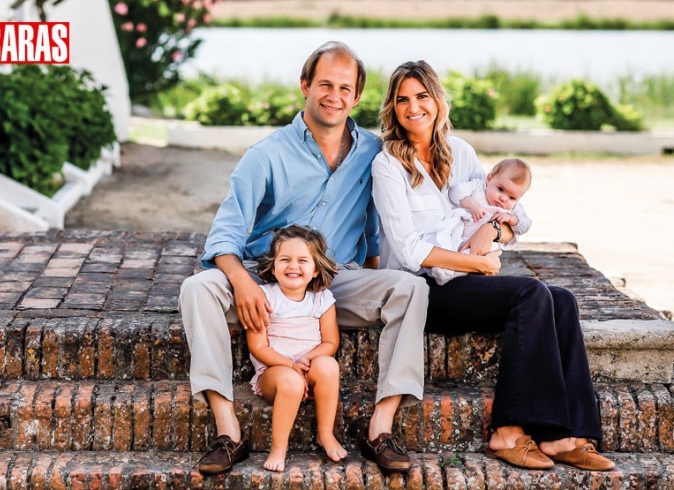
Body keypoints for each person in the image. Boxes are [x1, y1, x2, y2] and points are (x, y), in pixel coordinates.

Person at [179, 42, 428, 476]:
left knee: (411, 288)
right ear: (305, 86)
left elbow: (373, 225)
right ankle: (227, 430)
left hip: (335, 280)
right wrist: (242, 282)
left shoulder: (373, 153)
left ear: (357, 96)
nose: (334, 96)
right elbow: (226, 231)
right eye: (325, 85)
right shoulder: (266, 154)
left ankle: (381, 427)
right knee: (197, 288)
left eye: (345, 88)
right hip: (265, 276)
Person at [371, 60, 614, 471]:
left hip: (466, 280)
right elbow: (409, 249)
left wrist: (494, 236)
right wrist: (475, 261)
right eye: (402, 99)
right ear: (392, 108)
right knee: (531, 293)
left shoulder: (461, 152)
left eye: (422, 96)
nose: (413, 107)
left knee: (563, 301)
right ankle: (506, 433)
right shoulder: (388, 165)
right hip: (421, 288)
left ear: (437, 100)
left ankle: (564, 436)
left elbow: (500, 211)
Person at [247, 225, 347, 472]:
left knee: (328, 365)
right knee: (290, 381)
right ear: (273, 265)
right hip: (275, 373)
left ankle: (325, 433)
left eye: (303, 260)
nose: (293, 266)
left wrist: (305, 361)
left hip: (309, 366)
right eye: (285, 260)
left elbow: (330, 343)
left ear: (315, 270)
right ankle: (279, 448)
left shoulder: (322, 299)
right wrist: (291, 366)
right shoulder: (263, 296)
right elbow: (258, 346)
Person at [427, 158, 533, 285]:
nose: (503, 198)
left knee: (478, 257)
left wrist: (511, 219)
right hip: (461, 235)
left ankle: (448, 274)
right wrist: (472, 205)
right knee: (446, 242)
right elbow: (455, 192)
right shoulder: (478, 187)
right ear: (489, 179)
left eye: (512, 197)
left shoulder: (514, 209)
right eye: (500, 189)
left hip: (486, 247)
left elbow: (525, 225)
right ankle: (444, 270)